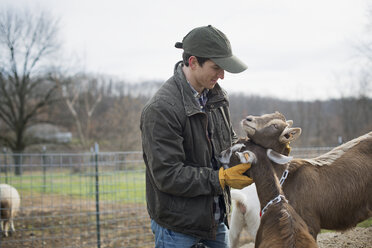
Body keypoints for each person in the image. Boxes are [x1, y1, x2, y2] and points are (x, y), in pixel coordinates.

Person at [140, 25, 253, 248]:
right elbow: (168, 174)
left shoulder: (217, 99)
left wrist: (262, 148)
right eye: (216, 67)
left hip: (215, 220)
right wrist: (220, 179)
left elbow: (227, 144)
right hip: (177, 228)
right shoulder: (161, 109)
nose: (222, 76)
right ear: (193, 62)